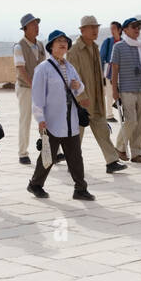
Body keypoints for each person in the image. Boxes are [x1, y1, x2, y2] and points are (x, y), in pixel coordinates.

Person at [27, 30, 94, 202]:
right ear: (51, 46)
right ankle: (35, 184)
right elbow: (37, 96)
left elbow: (80, 88)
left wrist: (77, 85)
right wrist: (40, 119)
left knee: (75, 156)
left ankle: (80, 188)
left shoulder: (69, 67)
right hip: (52, 120)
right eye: (59, 41)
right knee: (48, 155)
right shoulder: (43, 69)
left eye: (65, 41)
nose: (63, 43)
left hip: (70, 120)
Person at [67, 15, 126, 173]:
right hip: (82, 101)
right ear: (82, 30)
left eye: (96, 27)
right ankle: (72, 163)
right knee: (76, 135)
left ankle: (112, 161)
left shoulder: (94, 47)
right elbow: (72, 77)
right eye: (91, 27)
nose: (95, 30)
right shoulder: (74, 51)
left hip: (97, 98)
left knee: (102, 131)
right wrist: (81, 98)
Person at [109, 17, 141, 164]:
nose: (137, 30)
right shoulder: (119, 47)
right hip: (126, 89)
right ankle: (119, 147)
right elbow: (114, 70)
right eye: (134, 26)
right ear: (125, 30)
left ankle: (136, 153)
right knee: (131, 121)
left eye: (139, 27)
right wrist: (114, 91)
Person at [13, 13, 46, 165]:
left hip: (40, 87)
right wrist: (33, 84)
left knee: (45, 119)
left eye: (37, 24)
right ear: (25, 28)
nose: (37, 27)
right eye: (33, 25)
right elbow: (21, 68)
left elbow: (45, 66)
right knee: (25, 119)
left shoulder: (40, 45)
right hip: (26, 88)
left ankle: (49, 150)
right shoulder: (19, 47)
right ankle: (23, 153)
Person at [101, 20, 122, 119]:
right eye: (111, 29)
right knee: (109, 93)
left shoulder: (123, 42)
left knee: (123, 93)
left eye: (114, 28)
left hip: (122, 72)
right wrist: (101, 74)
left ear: (119, 30)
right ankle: (109, 115)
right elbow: (101, 57)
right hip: (110, 72)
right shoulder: (108, 42)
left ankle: (124, 114)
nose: (112, 31)